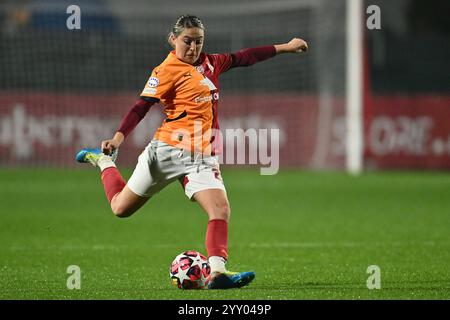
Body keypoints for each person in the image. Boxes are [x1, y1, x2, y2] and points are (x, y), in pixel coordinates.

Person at [76, 14, 308, 289]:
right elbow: (141, 106)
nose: (193, 47)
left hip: (201, 157)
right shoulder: (165, 70)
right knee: (120, 209)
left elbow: (245, 57)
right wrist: (117, 138)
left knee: (220, 209)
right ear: (173, 39)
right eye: (187, 41)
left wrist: (286, 46)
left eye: (199, 41)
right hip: (166, 152)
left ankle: (218, 273)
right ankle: (103, 162)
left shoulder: (212, 62)